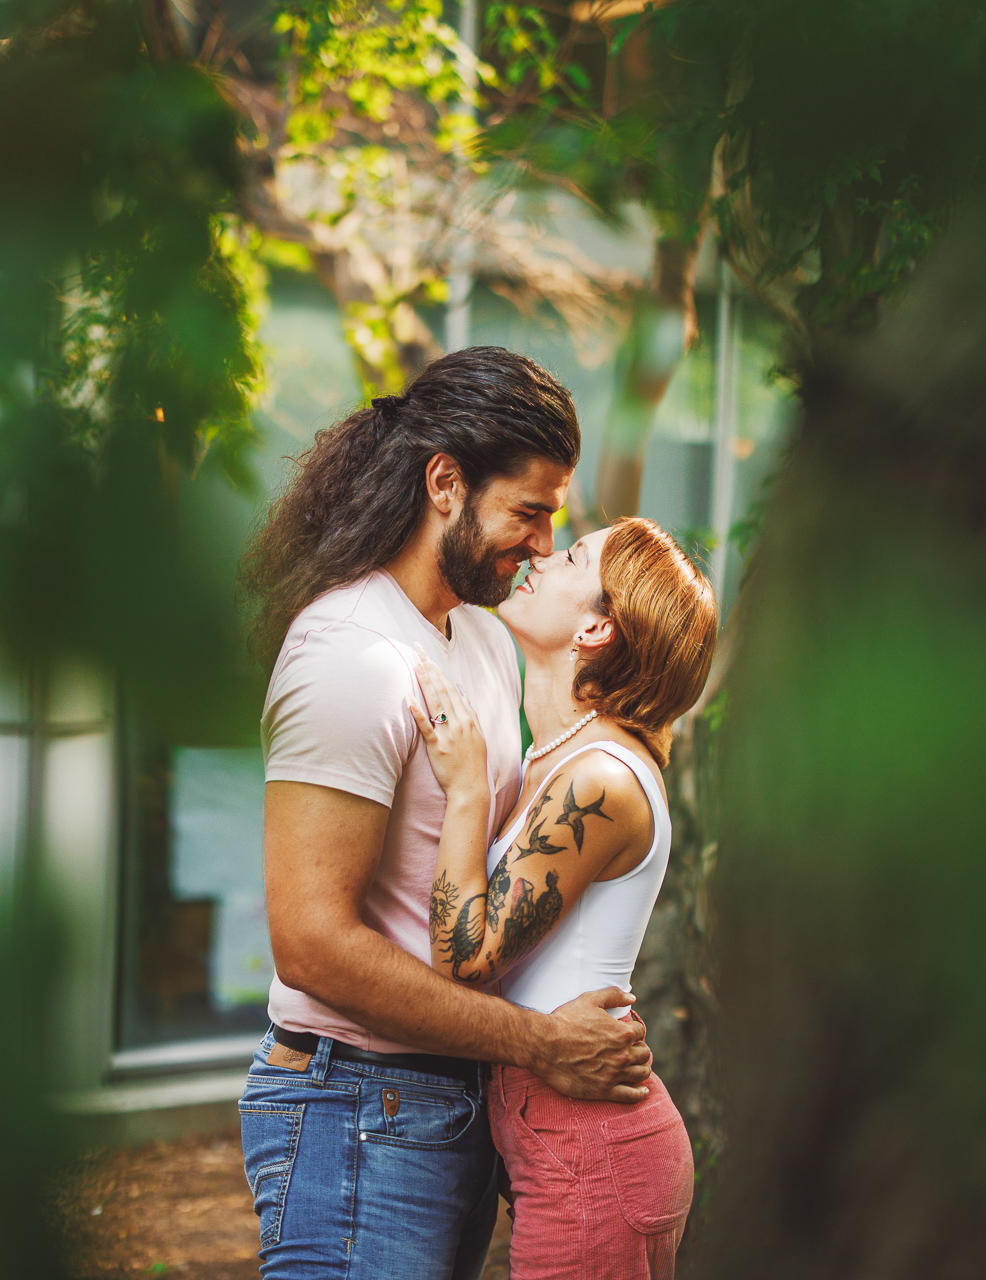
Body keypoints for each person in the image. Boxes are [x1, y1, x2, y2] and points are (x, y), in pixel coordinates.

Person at [237, 347, 654, 1280]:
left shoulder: (481, 642)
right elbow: (311, 941)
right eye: (530, 513)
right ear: (444, 483)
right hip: (355, 1109)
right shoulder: (350, 654)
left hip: (449, 1106)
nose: (544, 544)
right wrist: (546, 1045)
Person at [408, 516, 719, 1279]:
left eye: (574, 554)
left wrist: (467, 791)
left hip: (593, 1148)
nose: (544, 554)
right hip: (564, 1134)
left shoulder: (600, 780)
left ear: (597, 628)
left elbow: (466, 955)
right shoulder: (564, 759)